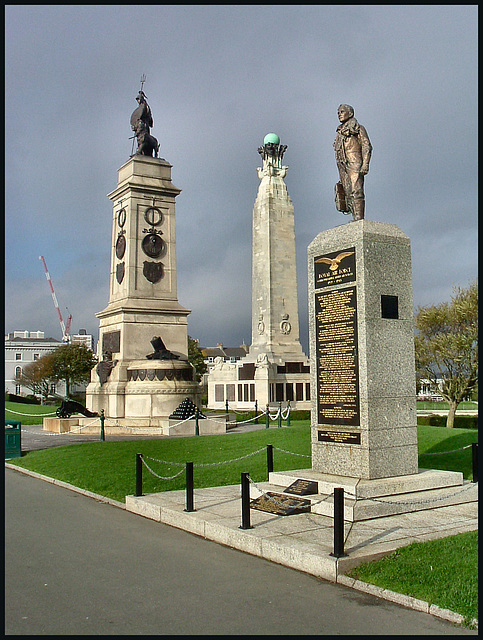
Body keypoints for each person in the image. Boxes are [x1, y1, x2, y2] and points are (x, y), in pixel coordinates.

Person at [333, 104, 372, 221]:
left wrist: (366, 163)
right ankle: (355, 217)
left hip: (354, 161)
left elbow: (367, 146)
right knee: (347, 191)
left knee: (356, 189)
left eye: (342, 111)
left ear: (350, 113)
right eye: (338, 112)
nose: (339, 114)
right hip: (342, 163)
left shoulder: (358, 128)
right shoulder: (339, 132)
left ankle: (359, 219)